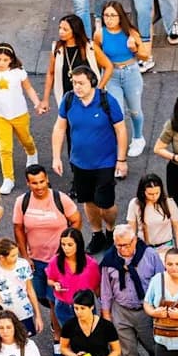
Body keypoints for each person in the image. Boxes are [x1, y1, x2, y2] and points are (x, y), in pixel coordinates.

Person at [50, 66, 126, 254]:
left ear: (92, 82)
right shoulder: (68, 100)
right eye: (74, 83)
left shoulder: (106, 100)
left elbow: (121, 130)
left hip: (105, 163)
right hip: (79, 163)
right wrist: (56, 157)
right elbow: (59, 128)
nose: (77, 87)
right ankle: (97, 234)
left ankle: (110, 230)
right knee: (88, 201)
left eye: (81, 83)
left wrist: (121, 160)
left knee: (106, 204)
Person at [99, 224, 162, 356]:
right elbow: (105, 290)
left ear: (135, 240)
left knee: (153, 344)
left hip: (146, 309)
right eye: (118, 245)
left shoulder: (149, 255)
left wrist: (159, 309)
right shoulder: (109, 260)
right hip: (121, 310)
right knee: (128, 351)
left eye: (126, 245)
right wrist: (106, 316)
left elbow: (161, 281)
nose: (122, 249)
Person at [0, 44, 40, 195]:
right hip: (0, 116)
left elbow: (28, 88)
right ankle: (8, 178)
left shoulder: (18, 72)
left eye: (5, 59)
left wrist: (37, 103)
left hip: (19, 113)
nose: (1, 62)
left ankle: (32, 153)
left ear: (11, 60)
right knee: (4, 148)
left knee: (25, 139)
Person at [93, 1, 147, 160]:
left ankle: (138, 138)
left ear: (120, 17)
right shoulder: (100, 34)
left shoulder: (130, 32)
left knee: (135, 110)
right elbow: (96, 53)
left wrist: (134, 48)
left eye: (112, 15)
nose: (109, 19)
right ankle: (119, 141)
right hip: (112, 74)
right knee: (117, 111)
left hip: (131, 72)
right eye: (106, 15)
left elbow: (145, 55)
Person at [45, 230, 101, 356]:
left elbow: (97, 287)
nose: (66, 248)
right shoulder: (56, 261)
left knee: (88, 336)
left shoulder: (90, 264)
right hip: (63, 306)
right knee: (74, 337)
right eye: (63, 244)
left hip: (85, 307)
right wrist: (54, 284)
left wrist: (102, 308)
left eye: (70, 244)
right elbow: (50, 278)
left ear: (78, 244)